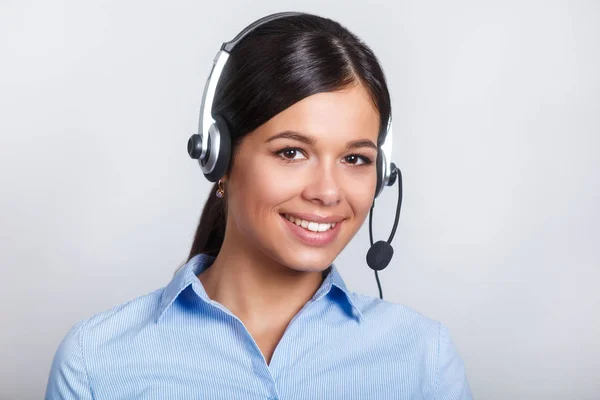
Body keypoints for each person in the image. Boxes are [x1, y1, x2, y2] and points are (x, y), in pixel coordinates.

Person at [46, 12, 472, 399]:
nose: (327, 192)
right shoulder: (96, 363)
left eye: (355, 159)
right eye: (291, 152)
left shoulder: (423, 359)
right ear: (220, 157)